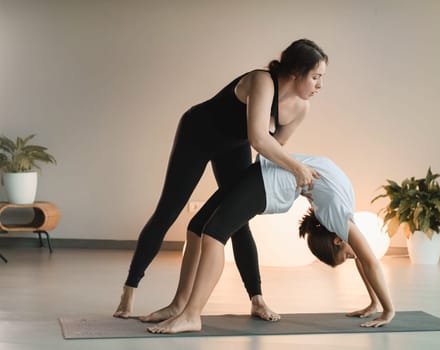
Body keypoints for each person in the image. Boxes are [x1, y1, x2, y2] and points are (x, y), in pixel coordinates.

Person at [113, 39, 328, 321]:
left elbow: (271, 153)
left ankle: (257, 299)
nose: (319, 86)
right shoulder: (262, 81)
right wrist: (298, 168)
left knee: (237, 220)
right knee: (168, 211)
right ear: (296, 72)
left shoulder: (301, 108)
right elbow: (260, 138)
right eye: (315, 77)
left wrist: (262, 189)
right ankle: (128, 292)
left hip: (233, 145)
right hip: (198, 135)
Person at [146, 154, 396, 334]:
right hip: (268, 183)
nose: (355, 257)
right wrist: (387, 310)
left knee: (210, 231)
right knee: (202, 229)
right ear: (338, 240)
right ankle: (185, 310)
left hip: (264, 175)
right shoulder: (337, 215)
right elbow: (370, 261)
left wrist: (375, 302)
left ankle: (188, 311)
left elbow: (364, 260)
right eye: (348, 257)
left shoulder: (336, 216)